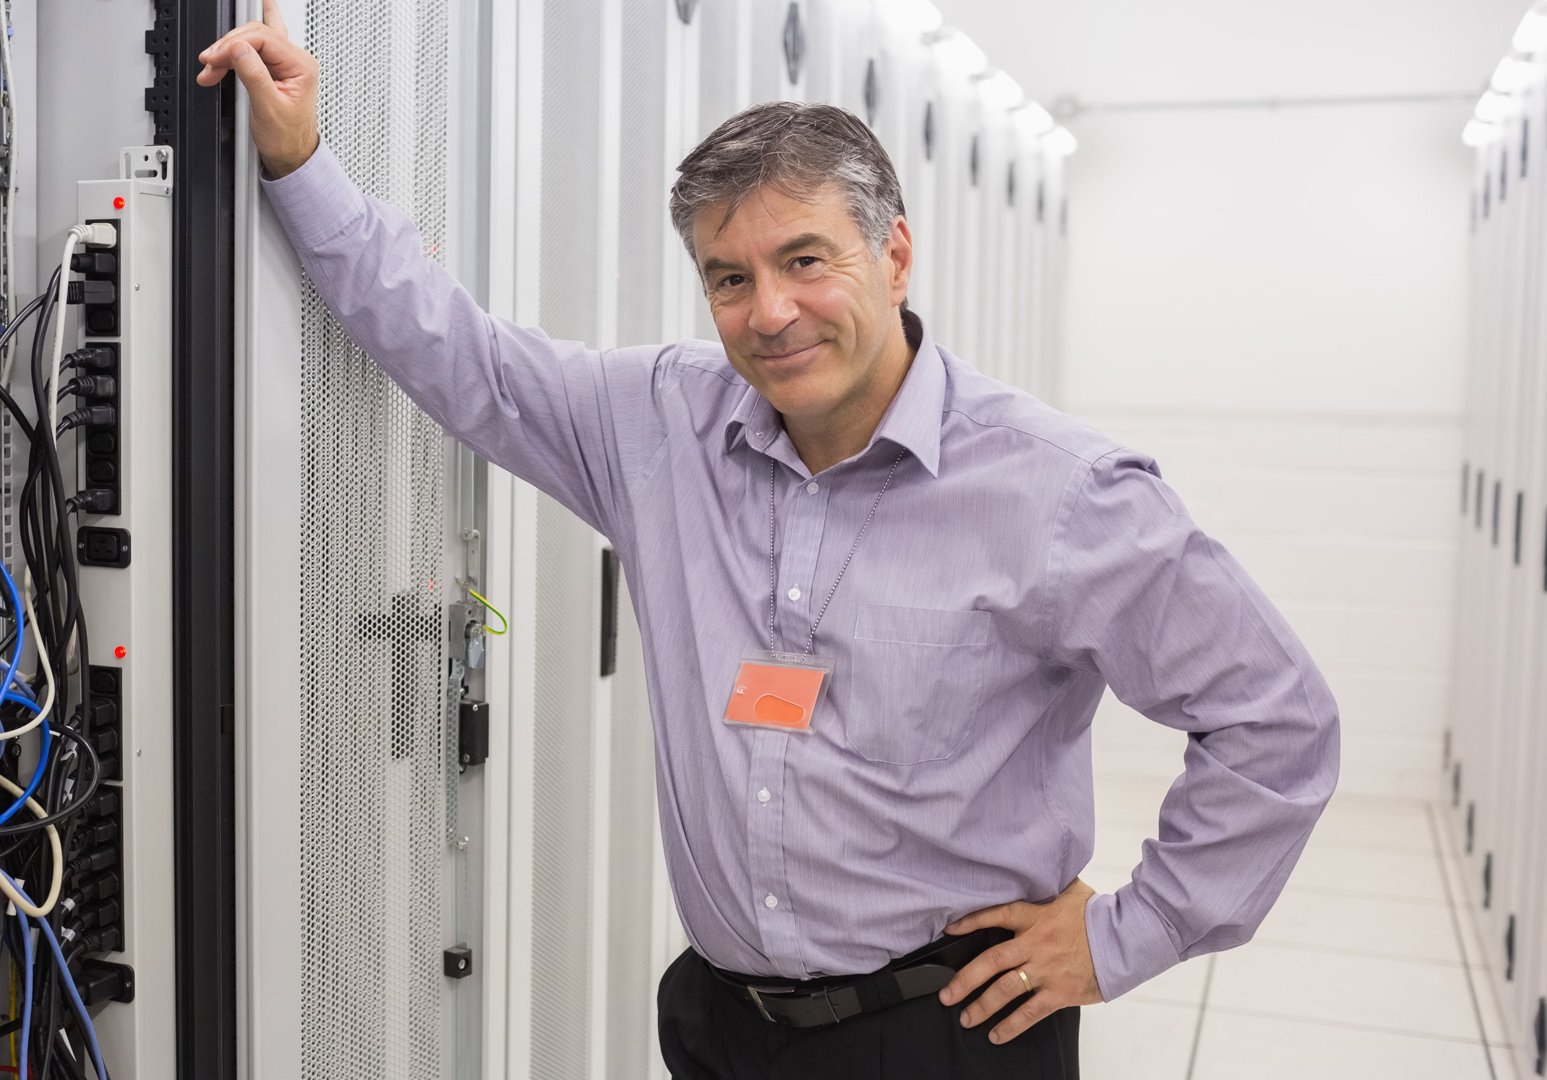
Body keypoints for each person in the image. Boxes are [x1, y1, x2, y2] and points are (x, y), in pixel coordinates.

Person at [198, 5, 1340, 1077]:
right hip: (723, 1022)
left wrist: (1126, 936)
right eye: (730, 279)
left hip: (945, 1034)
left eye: (806, 260)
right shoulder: (660, 425)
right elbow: (462, 357)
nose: (771, 312)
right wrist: (300, 164)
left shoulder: (1057, 492)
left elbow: (1275, 721)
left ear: (893, 257)